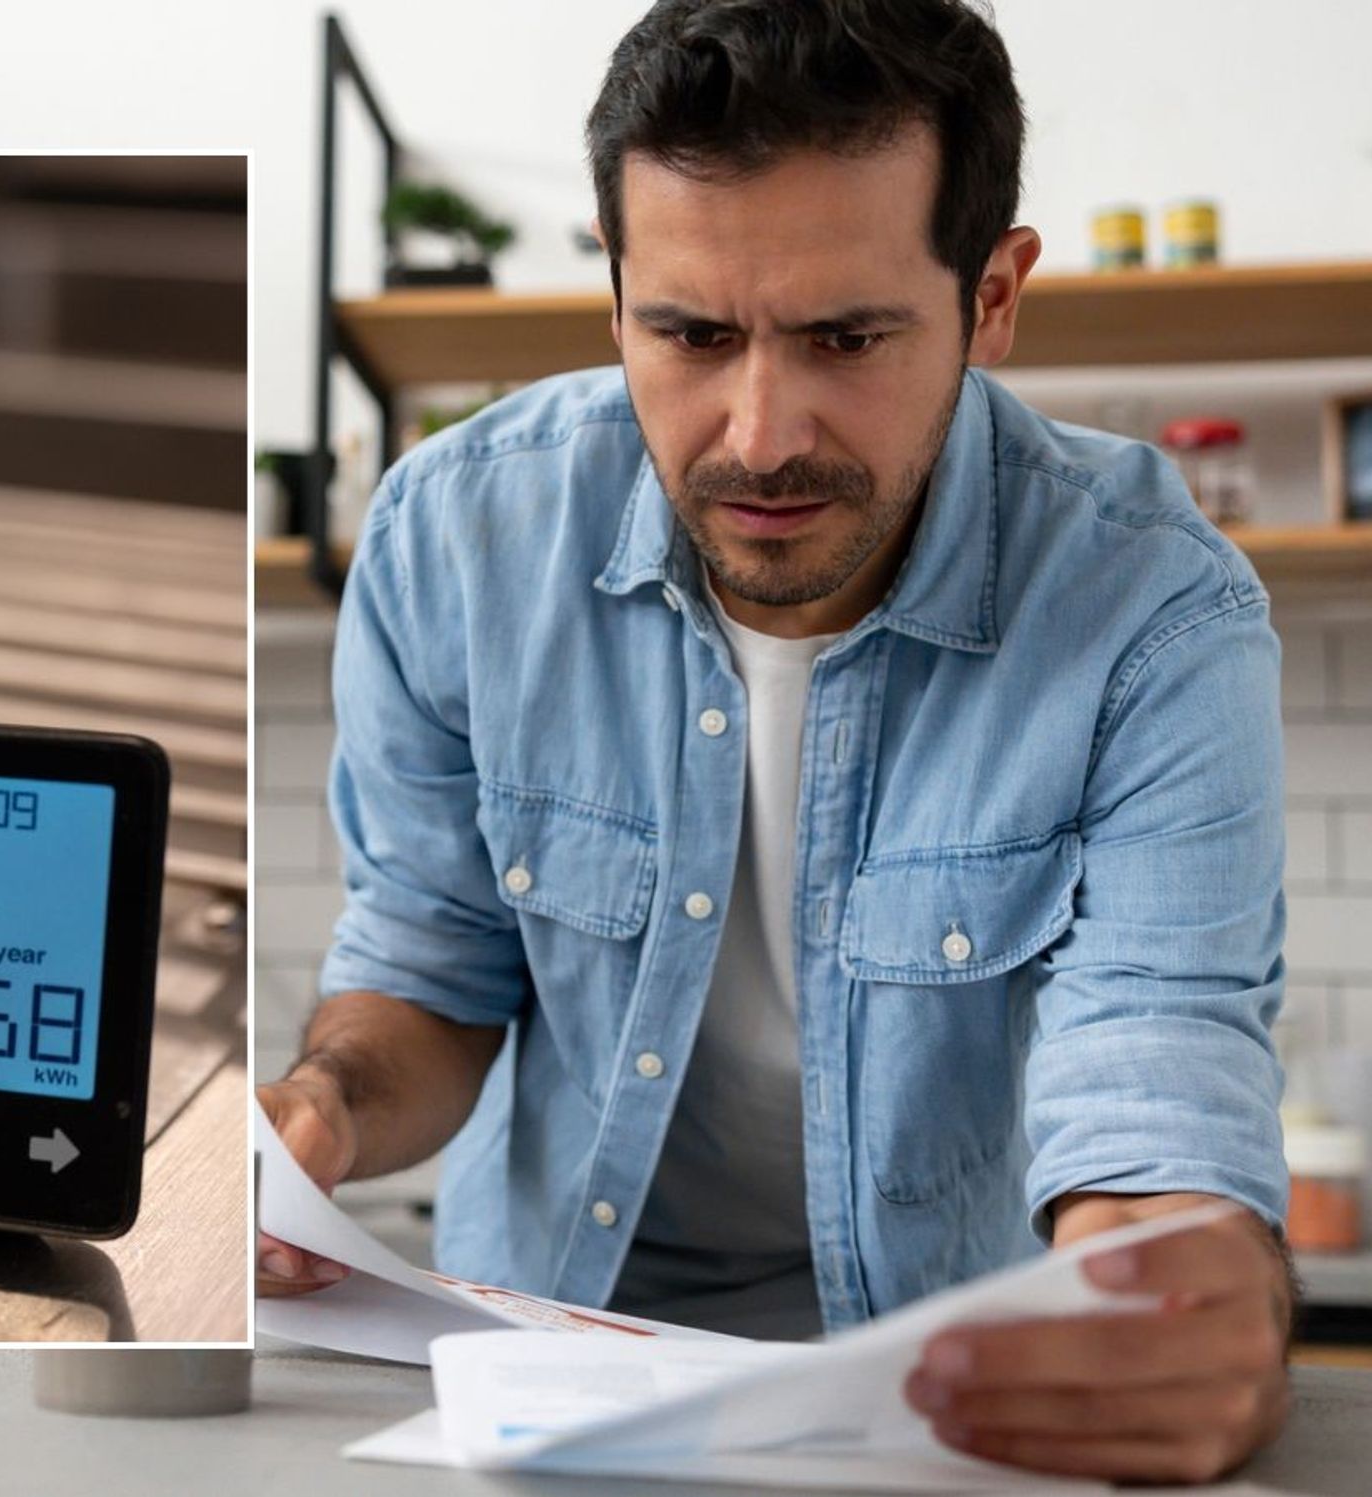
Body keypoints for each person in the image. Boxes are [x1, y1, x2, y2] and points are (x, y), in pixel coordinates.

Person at [259, 0, 1294, 1482]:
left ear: (992, 297)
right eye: (689, 332)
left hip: (950, 1404)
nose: (758, 433)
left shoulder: (1157, 611)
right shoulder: (454, 539)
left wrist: (1174, 1298)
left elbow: (1153, 1075)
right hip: (542, 1381)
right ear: (614, 296)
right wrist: (324, 1112)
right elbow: (429, 966)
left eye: (846, 336)